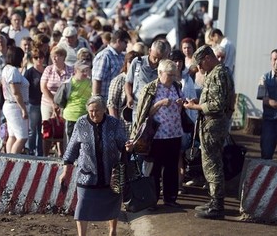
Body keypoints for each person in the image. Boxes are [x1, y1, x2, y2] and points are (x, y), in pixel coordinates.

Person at [59, 95, 132, 236]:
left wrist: (127, 146)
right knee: (82, 207)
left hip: (110, 175)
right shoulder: (81, 123)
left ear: (104, 109)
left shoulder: (114, 123)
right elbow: (72, 149)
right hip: (87, 175)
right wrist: (65, 172)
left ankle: (112, 231)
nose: (93, 114)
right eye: (91, 111)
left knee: (112, 205)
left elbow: (123, 143)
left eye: (97, 110)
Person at [184, 45, 235, 219]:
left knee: (213, 164)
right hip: (213, 125)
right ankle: (214, 201)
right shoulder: (217, 72)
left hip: (213, 126)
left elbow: (217, 105)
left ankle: (217, 206)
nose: (199, 68)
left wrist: (195, 106)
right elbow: (216, 99)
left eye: (200, 64)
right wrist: (199, 101)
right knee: (212, 163)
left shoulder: (218, 74)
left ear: (207, 58)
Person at [131, 59, 184, 211]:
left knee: (171, 168)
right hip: (156, 136)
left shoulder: (177, 86)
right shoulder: (150, 89)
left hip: (174, 133)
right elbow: (143, 112)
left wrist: (182, 103)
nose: (173, 77)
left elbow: (180, 110)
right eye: (170, 74)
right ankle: (151, 200)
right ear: (160, 73)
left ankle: (170, 198)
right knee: (153, 169)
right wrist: (160, 103)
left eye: (175, 74)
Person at [168, 50, 198, 195]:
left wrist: (193, 121)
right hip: (167, 122)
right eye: (175, 61)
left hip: (183, 121)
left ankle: (179, 184)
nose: (178, 63)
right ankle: (168, 185)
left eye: (180, 61)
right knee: (168, 155)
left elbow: (192, 100)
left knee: (180, 154)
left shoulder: (188, 79)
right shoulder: (165, 78)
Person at [40, 46, 74, 157]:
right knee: (47, 128)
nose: (55, 58)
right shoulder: (48, 69)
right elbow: (43, 87)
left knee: (62, 129)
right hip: (47, 102)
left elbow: (72, 87)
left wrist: (61, 104)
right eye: (53, 56)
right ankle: (45, 155)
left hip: (64, 104)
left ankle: (62, 154)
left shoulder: (71, 70)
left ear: (63, 57)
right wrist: (53, 103)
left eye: (58, 56)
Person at [125, 40, 168, 121]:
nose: (156, 61)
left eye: (160, 58)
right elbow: (128, 82)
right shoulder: (138, 62)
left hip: (155, 108)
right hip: (137, 105)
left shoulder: (163, 68)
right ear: (149, 51)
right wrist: (129, 97)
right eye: (154, 57)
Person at [257, 49, 277, 162]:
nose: (276, 62)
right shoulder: (264, 78)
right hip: (269, 120)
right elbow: (266, 101)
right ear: (270, 60)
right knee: (266, 153)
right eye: (274, 59)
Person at [54, 60, 92, 143]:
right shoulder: (67, 83)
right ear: (75, 71)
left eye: (86, 70)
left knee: (84, 142)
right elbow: (58, 100)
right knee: (70, 142)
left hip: (86, 116)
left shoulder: (90, 82)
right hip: (71, 116)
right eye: (82, 71)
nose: (85, 73)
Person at [1, 47, 29, 154]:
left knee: (12, 136)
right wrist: (23, 109)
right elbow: (16, 92)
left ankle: (9, 159)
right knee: (22, 137)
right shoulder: (13, 71)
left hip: (9, 104)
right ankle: (14, 159)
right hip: (15, 106)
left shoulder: (6, 69)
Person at [107, 51, 140, 138]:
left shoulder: (141, 79)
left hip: (138, 122)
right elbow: (111, 104)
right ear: (126, 63)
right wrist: (115, 126)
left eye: (135, 62)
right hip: (123, 123)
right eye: (130, 62)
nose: (133, 65)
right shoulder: (119, 80)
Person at [92, 29, 131, 102]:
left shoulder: (122, 56)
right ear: (118, 41)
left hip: (118, 101)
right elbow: (97, 80)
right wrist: (96, 102)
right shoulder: (104, 56)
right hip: (105, 101)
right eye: (125, 42)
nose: (126, 46)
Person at [23, 48, 46, 156]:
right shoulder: (29, 72)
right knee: (32, 129)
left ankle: (40, 152)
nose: (39, 60)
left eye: (40, 57)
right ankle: (30, 151)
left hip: (45, 104)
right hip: (33, 104)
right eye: (36, 58)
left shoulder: (47, 70)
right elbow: (24, 87)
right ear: (33, 59)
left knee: (42, 129)